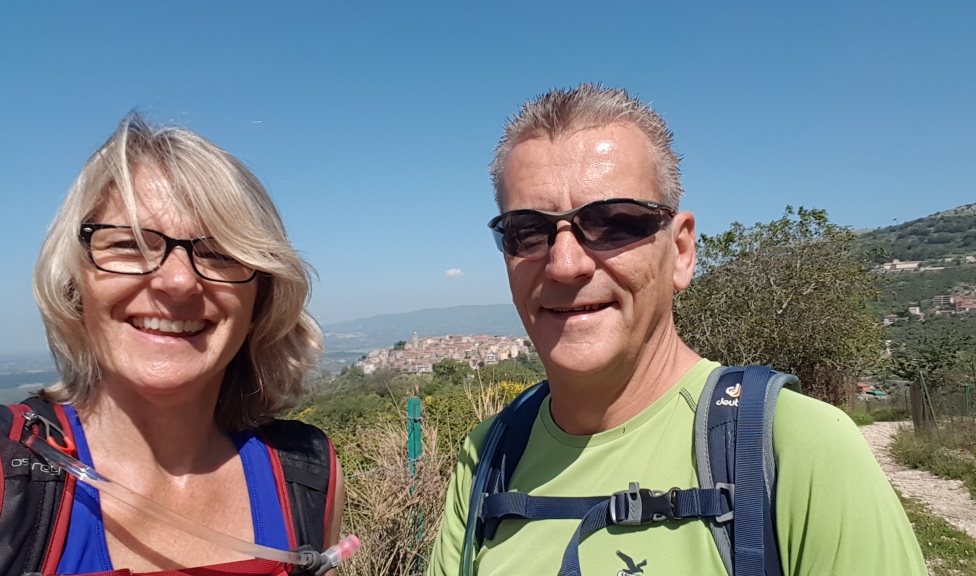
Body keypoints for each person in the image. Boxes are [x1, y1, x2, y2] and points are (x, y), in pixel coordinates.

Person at [427, 84, 927, 575]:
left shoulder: (795, 447)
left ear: (681, 252)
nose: (565, 265)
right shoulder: (487, 458)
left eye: (613, 223)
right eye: (528, 231)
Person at [0, 113, 344, 575]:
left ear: (261, 297)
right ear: (75, 283)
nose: (179, 282)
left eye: (219, 253)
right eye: (129, 245)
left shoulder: (308, 475)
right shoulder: (11, 474)